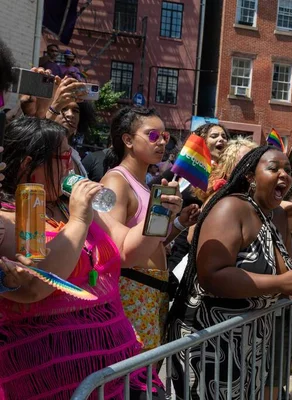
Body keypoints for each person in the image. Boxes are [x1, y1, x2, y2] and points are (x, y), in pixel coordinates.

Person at [0, 117, 174, 399]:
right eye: (65, 156)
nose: (72, 165)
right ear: (28, 164)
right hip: (52, 383)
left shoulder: (70, 207)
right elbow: (36, 286)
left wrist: (162, 214)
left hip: (117, 368)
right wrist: (80, 218)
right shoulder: (7, 219)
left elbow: (129, 251)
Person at [168, 145, 292, 399]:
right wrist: (280, 283)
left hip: (249, 340)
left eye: (288, 170)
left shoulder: (273, 215)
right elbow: (212, 275)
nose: (284, 175)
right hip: (210, 338)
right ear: (250, 177)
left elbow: (283, 273)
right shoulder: (230, 208)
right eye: (273, 168)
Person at [102, 107, 190, 351]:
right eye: (153, 136)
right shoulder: (116, 181)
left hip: (150, 294)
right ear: (128, 140)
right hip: (132, 293)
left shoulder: (143, 184)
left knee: (147, 378)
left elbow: (150, 242)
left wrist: (179, 221)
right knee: (135, 380)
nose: (162, 142)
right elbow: (114, 248)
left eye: (165, 137)